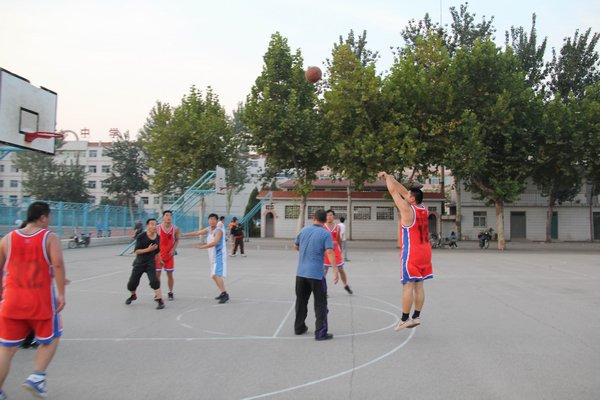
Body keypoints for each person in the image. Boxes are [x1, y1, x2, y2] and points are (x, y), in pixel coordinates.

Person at [0, 201, 66, 399]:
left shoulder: (7, 239)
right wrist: (61, 292)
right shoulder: (49, 237)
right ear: (43, 217)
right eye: (49, 216)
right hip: (39, 300)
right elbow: (58, 264)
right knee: (53, 336)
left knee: (6, 349)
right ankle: (37, 377)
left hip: (11, 300)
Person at [378, 172, 433, 331]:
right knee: (419, 285)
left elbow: (393, 192)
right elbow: (402, 191)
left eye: (409, 195)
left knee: (407, 286)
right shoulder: (423, 208)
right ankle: (416, 316)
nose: (406, 195)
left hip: (412, 253)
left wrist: (387, 178)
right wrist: (392, 178)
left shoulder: (407, 210)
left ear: (412, 199)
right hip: (425, 252)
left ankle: (404, 319)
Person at [293, 209, 340, 341]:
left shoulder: (304, 230)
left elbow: (295, 246)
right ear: (325, 220)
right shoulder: (325, 234)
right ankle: (320, 332)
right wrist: (335, 270)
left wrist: (305, 252)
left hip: (301, 273)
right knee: (320, 303)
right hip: (316, 275)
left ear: (313, 218)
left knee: (301, 301)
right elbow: (330, 252)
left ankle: (299, 327)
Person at [181, 214, 229, 303]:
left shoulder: (218, 231)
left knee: (216, 275)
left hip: (219, 255)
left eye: (214, 219)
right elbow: (197, 232)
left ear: (217, 221)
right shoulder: (208, 229)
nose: (212, 221)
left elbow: (214, 243)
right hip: (212, 256)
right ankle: (223, 293)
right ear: (208, 220)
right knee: (214, 276)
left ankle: (225, 294)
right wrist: (184, 234)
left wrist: (202, 247)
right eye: (210, 219)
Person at [125, 218, 165, 310]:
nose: (154, 226)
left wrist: (160, 260)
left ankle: (160, 300)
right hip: (139, 263)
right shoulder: (141, 236)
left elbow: (157, 250)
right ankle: (133, 295)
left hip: (150, 263)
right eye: (152, 224)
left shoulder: (157, 237)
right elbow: (136, 251)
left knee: (154, 281)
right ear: (147, 226)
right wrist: (148, 249)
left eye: (155, 224)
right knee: (131, 284)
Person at [323, 210, 352, 294]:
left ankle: (345, 285)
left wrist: (340, 249)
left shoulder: (338, 227)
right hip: (326, 251)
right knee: (324, 270)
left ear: (334, 216)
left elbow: (339, 240)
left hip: (335, 250)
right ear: (325, 217)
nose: (329, 217)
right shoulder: (322, 227)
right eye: (327, 215)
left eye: (330, 215)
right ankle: (323, 289)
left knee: (340, 269)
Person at [156, 210, 180, 301]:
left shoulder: (175, 228)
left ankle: (170, 292)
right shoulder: (157, 228)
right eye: (166, 215)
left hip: (169, 256)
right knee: (157, 275)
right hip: (158, 255)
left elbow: (177, 240)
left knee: (170, 275)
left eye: (170, 215)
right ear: (163, 217)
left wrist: (173, 249)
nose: (168, 217)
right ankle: (157, 293)